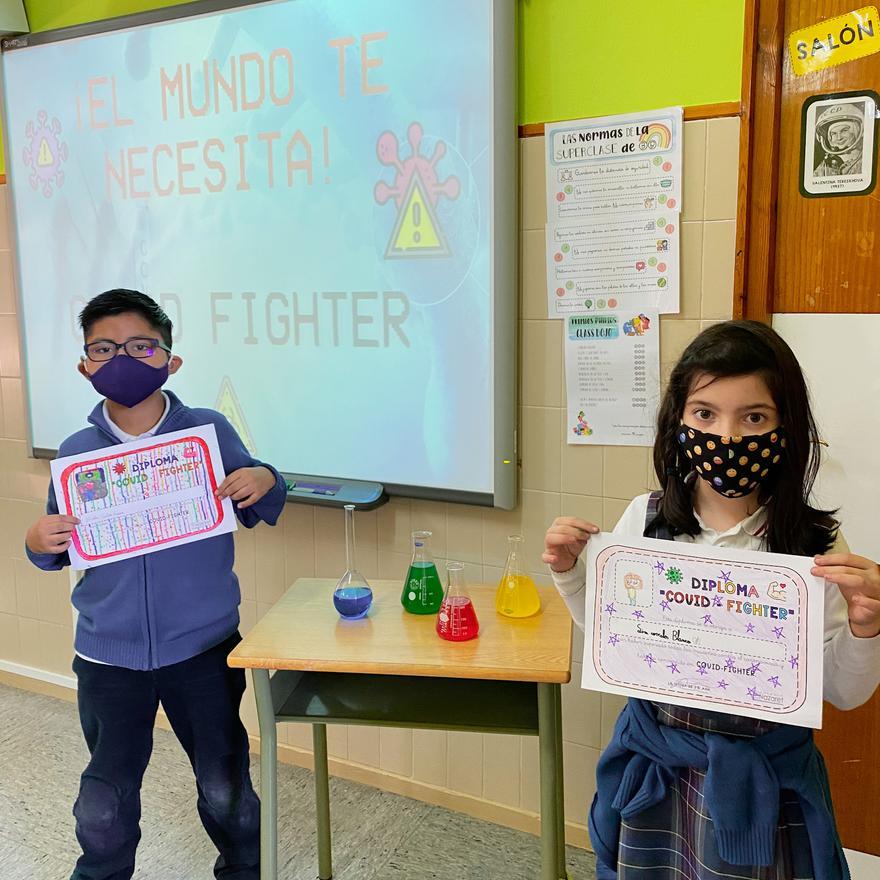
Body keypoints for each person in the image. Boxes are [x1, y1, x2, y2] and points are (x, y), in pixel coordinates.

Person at [543, 320, 880, 880]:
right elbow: (618, 643)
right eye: (704, 414)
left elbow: (842, 693)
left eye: (753, 417)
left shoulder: (814, 547)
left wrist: (865, 629)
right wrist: (572, 575)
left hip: (767, 786)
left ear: (785, 427)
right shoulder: (645, 520)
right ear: (678, 420)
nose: (727, 437)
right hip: (660, 773)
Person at [25, 289, 287, 880]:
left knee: (224, 786)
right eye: (105, 348)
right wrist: (37, 540)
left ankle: (246, 870)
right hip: (106, 653)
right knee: (103, 802)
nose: (123, 358)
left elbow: (264, 493)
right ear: (84, 366)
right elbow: (55, 547)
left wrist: (263, 476)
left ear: (171, 360)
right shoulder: (76, 452)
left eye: (142, 346)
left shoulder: (208, 431)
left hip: (203, 648)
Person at [813, 103, 864, 177]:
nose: (839, 137)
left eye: (844, 130)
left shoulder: (865, 160)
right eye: (833, 133)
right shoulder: (827, 164)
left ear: (857, 130)